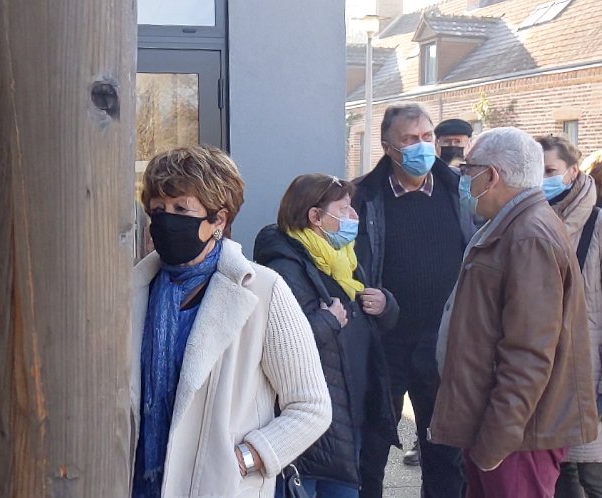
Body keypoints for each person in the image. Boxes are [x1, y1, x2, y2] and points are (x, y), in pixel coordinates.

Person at [131, 146, 331, 497]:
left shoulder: (264, 291)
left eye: (181, 209)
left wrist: (243, 460)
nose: (166, 220)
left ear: (218, 220)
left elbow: (311, 406)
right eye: (158, 209)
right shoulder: (134, 292)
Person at [431, 127, 598, 498]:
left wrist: (497, 442)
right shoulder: (510, 226)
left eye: (468, 170)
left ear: (491, 175)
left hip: (517, 437)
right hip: (501, 429)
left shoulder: (528, 235)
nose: (462, 180)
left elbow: (529, 353)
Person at [352, 102, 474, 498]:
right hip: (384, 342)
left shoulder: (460, 190)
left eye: (426, 137)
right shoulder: (364, 196)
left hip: (443, 342)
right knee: (370, 450)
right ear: (388, 147)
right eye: (409, 139)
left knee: (444, 453)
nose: (421, 146)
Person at [253, 174, 399, 497]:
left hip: (346, 418)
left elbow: (365, 321)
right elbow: (280, 344)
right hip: (309, 428)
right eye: (344, 209)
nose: (354, 216)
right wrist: (328, 321)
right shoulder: (285, 268)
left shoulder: (344, 260)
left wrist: (386, 305)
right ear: (315, 217)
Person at [535, 135, 602, 498]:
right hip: (541, 365)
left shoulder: (597, 224)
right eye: (537, 170)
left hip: (587, 368)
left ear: (573, 172)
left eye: (550, 170)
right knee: (556, 473)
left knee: (592, 473)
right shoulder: (527, 221)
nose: (542, 179)